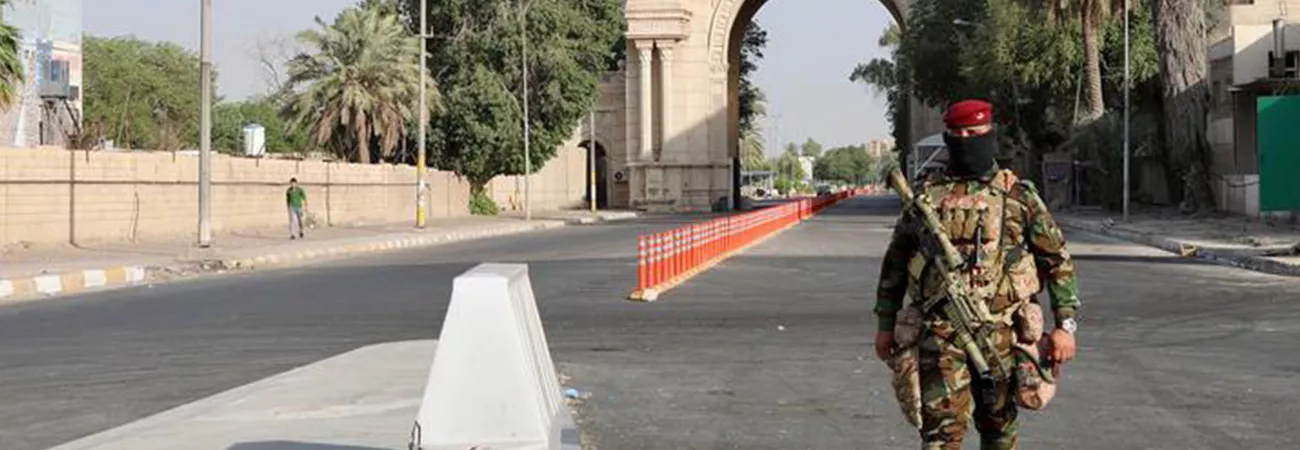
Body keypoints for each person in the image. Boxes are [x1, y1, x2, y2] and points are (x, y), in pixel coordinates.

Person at [874, 99, 1081, 449]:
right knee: (940, 437)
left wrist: (1066, 326)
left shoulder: (1017, 195)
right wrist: (885, 324)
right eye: (958, 133)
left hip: (1001, 332)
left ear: (989, 133)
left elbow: (1057, 260)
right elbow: (895, 264)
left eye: (974, 132)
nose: (966, 140)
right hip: (939, 335)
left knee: (1000, 433)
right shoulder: (926, 197)